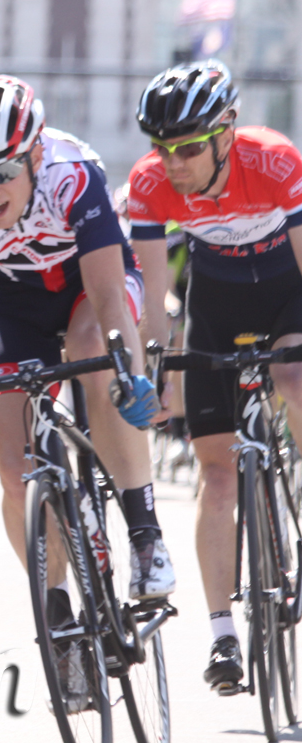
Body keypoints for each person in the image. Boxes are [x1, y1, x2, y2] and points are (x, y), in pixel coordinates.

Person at [0, 76, 173, 697]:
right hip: (16, 301)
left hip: (90, 286)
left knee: (89, 351)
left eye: (2, 171)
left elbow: (109, 294)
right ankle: (57, 614)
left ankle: (143, 531)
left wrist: (131, 371)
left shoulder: (73, 173)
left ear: (33, 156)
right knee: (8, 456)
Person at [127, 60, 302, 691]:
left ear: (226, 134)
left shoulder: (276, 162)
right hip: (216, 301)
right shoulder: (149, 185)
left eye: (189, 148)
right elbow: (153, 300)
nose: (174, 163)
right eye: (163, 149)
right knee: (218, 475)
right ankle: (224, 636)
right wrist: (155, 367)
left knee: (292, 379)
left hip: (288, 290)